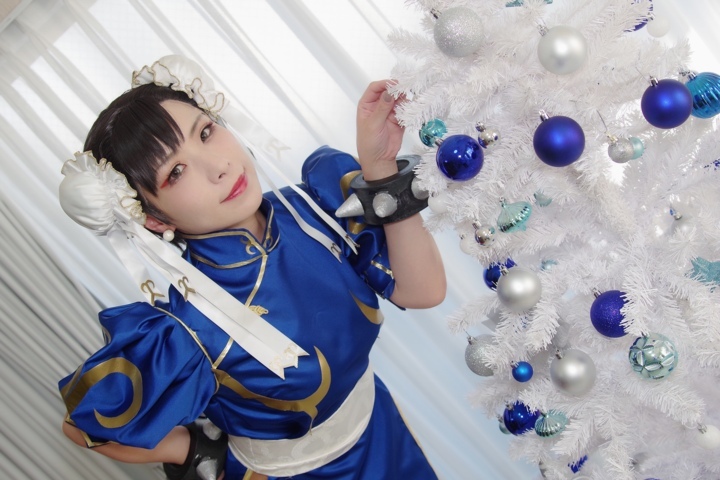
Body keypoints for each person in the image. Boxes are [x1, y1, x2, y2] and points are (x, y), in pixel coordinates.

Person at [58, 55, 446, 480]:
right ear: (153, 219)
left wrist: (381, 171)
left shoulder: (317, 206)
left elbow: (423, 291)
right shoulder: (186, 328)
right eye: (176, 172)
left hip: (383, 430)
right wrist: (194, 450)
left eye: (205, 132)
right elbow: (83, 425)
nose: (219, 166)